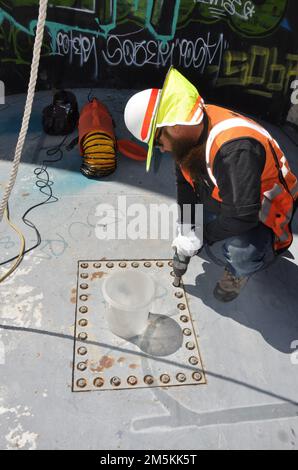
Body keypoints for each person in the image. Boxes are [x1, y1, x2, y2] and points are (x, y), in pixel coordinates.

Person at [124, 67, 298, 302]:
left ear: (174, 126)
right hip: (232, 194)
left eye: (158, 142)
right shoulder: (188, 136)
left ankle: (243, 268)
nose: (162, 149)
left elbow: (242, 216)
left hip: (265, 213)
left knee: (240, 252)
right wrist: (187, 226)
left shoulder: (235, 149)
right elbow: (185, 185)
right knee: (195, 226)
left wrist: (202, 236)